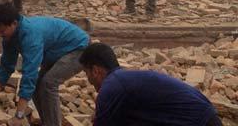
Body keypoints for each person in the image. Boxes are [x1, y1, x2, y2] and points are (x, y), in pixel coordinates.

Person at [0, 3, 89, 126]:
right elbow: (6, 66)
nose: (0, 35)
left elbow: (29, 74)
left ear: (14, 23)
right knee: (38, 85)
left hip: (78, 48)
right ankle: (48, 122)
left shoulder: (30, 36)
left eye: (2, 30)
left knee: (48, 83)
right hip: (56, 51)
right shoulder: (9, 37)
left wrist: (19, 115)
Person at [79, 43, 222, 126]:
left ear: (96, 70)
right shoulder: (124, 80)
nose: (89, 81)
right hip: (205, 115)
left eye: (87, 73)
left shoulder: (111, 86)